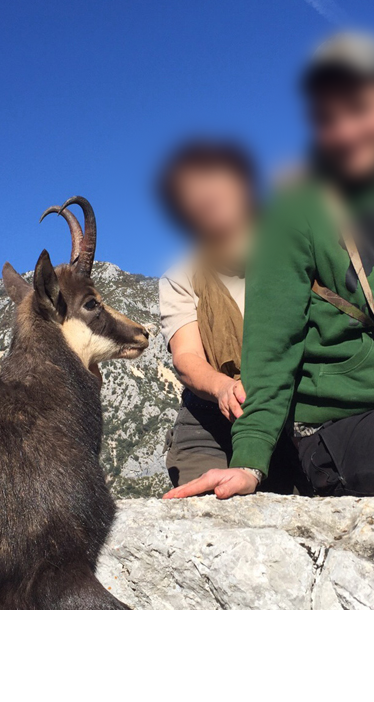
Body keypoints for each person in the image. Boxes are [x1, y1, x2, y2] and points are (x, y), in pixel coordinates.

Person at [166, 31, 374, 504]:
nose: (344, 132)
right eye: (327, 119)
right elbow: (271, 349)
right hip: (347, 428)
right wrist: (249, 460)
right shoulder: (292, 215)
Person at [158, 140, 296, 492]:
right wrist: (223, 388)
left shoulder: (295, 248)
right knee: (205, 504)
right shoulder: (181, 275)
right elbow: (186, 356)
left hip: (291, 407)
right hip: (210, 420)